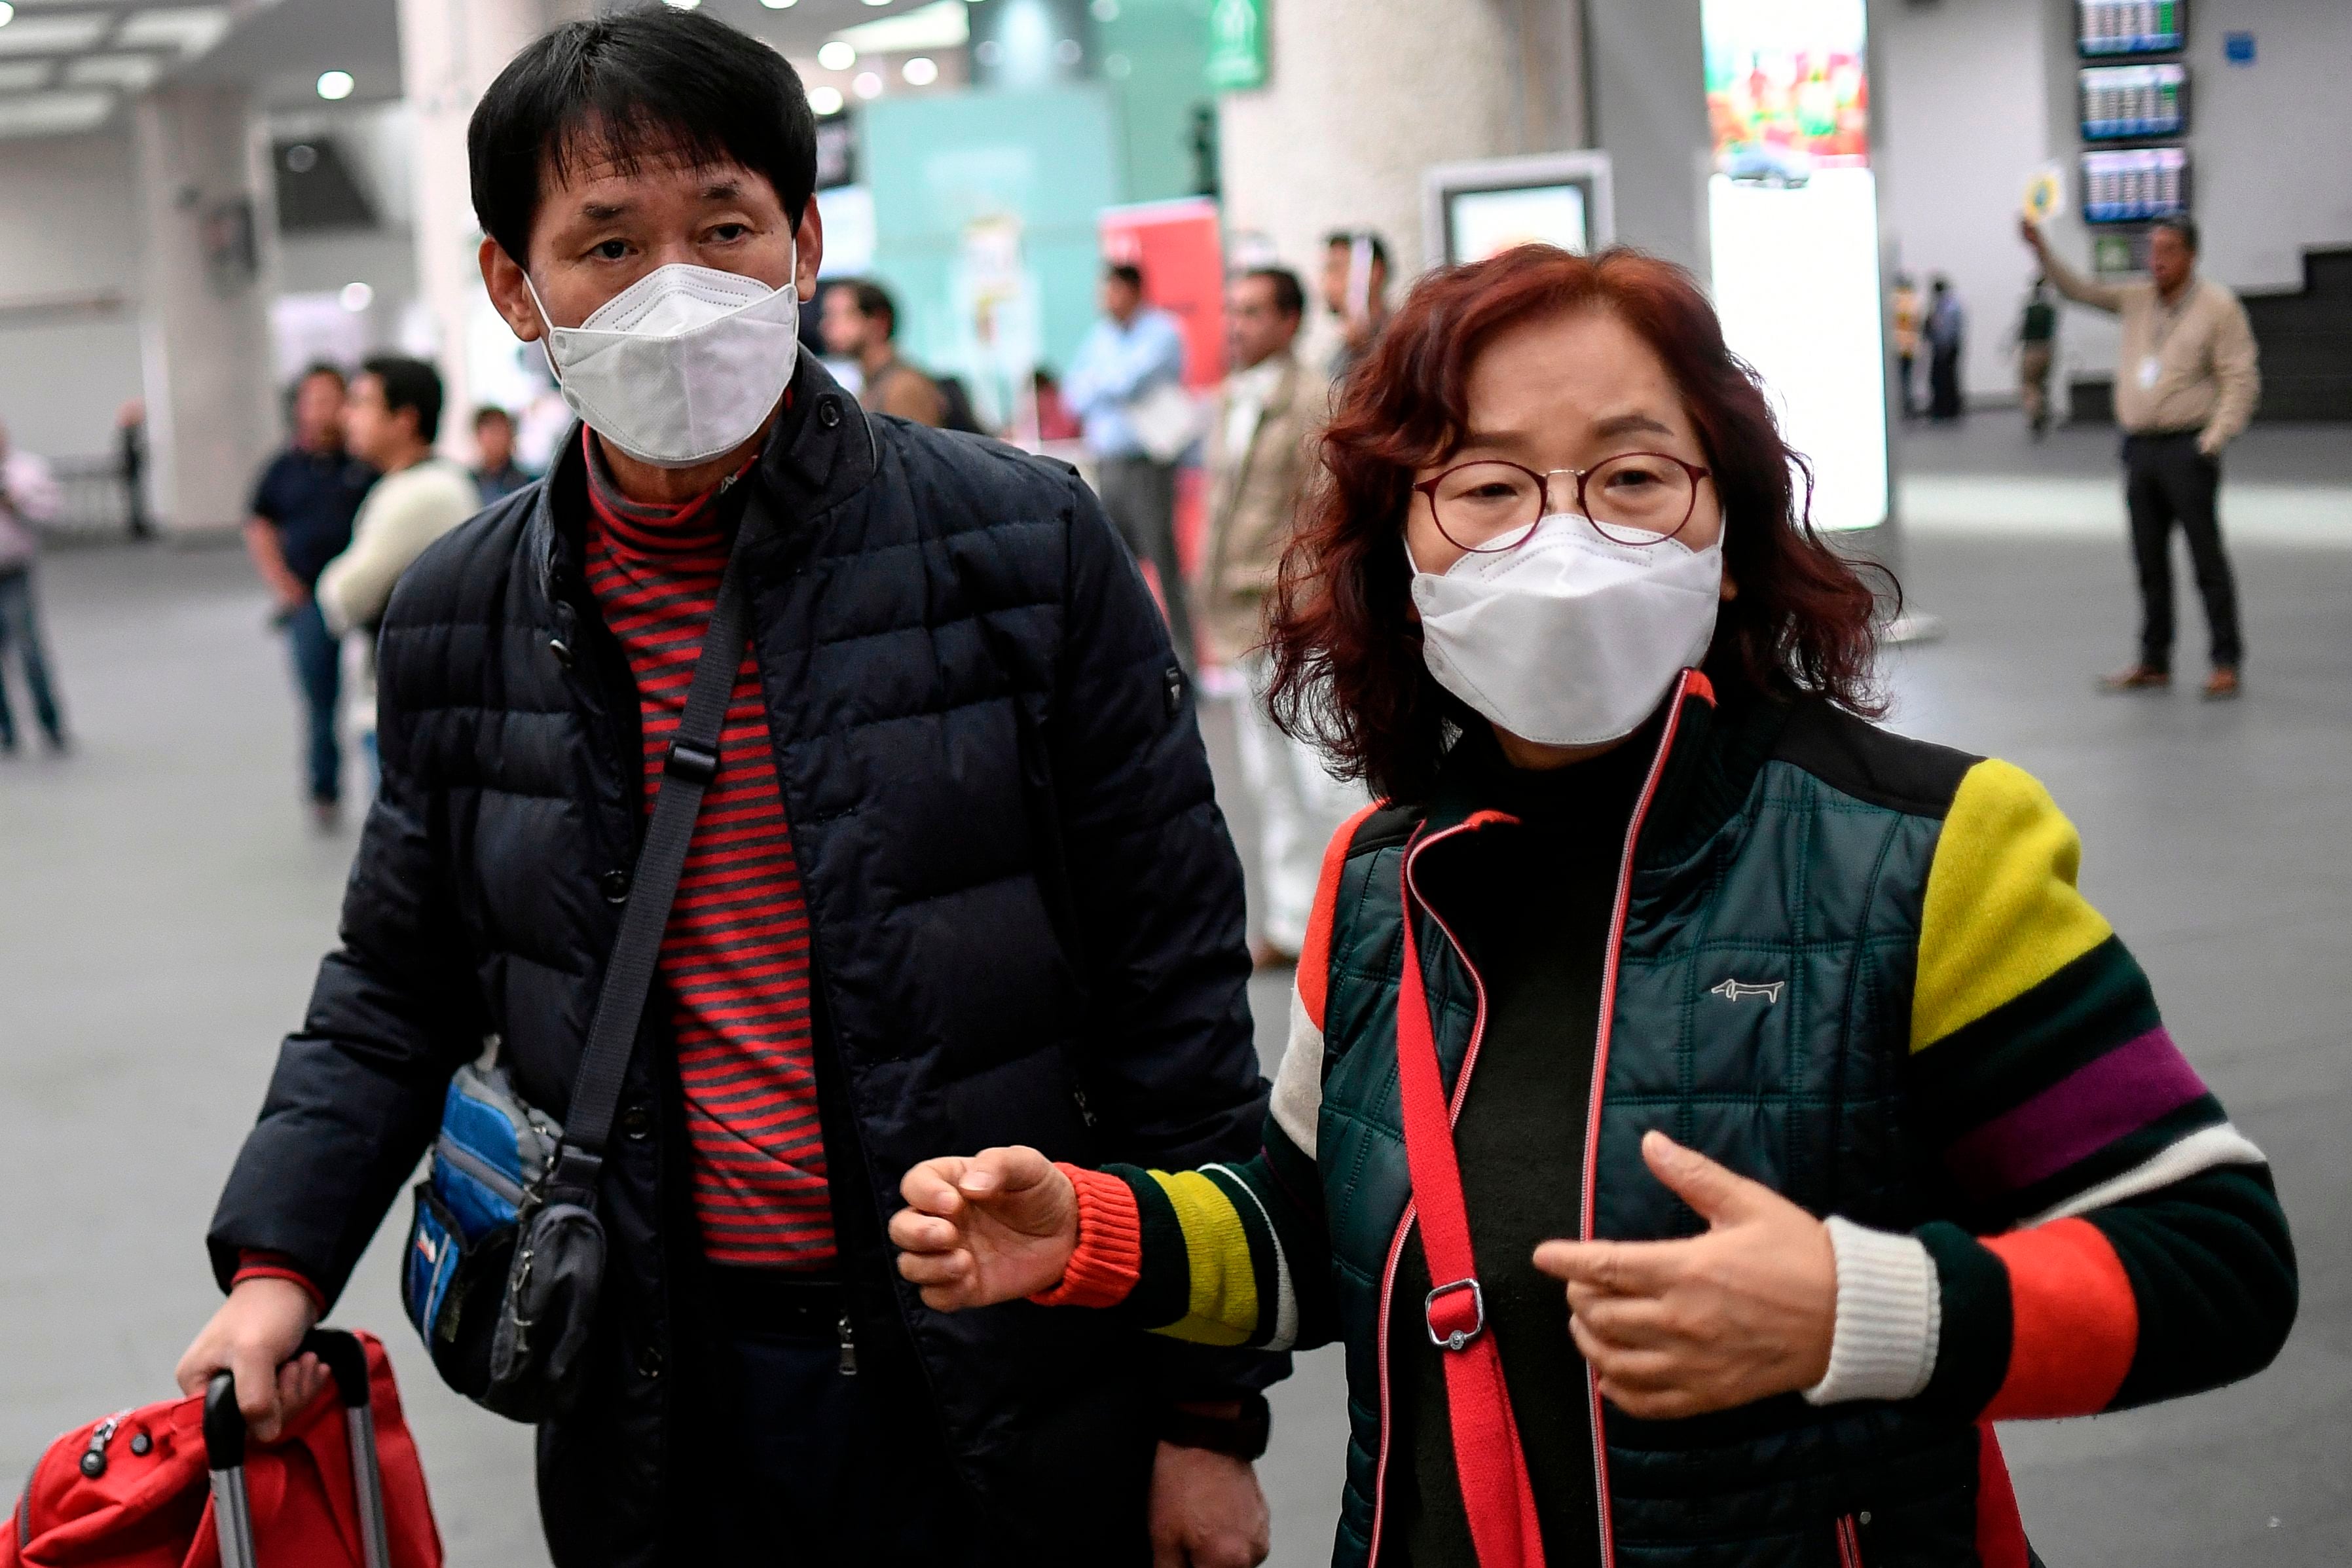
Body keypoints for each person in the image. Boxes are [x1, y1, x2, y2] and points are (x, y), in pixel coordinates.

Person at [892, 244, 2298, 1568]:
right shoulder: (1383, 877)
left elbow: (2210, 1261)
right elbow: (1321, 1234)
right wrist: (1096, 1234)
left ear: (1729, 530)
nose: (1561, 543)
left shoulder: (1926, 849)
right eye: (1488, 489)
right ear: (1399, 554)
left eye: (1631, 479)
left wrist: (1851, 1308)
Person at [178, 12, 1280, 1567]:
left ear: (804, 241)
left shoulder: (1020, 550)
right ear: (517, 287)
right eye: (609, 245)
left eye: (724, 229)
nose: (677, 289)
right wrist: (273, 1273)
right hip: (658, 1387)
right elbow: (393, 982)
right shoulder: (462, 613)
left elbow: (1173, 995)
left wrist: (1205, 1418)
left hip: (1013, 1353)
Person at [2023, 216, 2260, 699]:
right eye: (2153, 250)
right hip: (2140, 450)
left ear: (2191, 255)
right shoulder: (2137, 300)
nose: (2157, 259)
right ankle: (2154, 660)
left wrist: (2214, 439)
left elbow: (2241, 378)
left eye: (2168, 249)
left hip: (2188, 448)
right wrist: (2042, 251)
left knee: (2205, 559)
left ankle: (2225, 660)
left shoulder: (2219, 307)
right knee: (2149, 562)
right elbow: (2079, 290)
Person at [1192, 265, 1353, 969]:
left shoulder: (1314, 398)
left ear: (1289, 320)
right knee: (1269, 783)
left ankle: (1357, 919)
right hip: (1240, 615)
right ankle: (1293, 925)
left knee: (1325, 774)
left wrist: (1310, 606)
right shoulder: (1232, 396)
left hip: (1296, 614)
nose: (1236, 324)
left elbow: (1325, 515)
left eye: (1253, 311)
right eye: (1232, 309)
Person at [316, 356, 478, 788]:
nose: (346, 416)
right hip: (417, 703)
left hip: (413, 711)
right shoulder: (423, 484)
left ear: (404, 420)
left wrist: (331, 581)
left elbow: (343, 596)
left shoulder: (421, 494)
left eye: (362, 403)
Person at [244, 364, 376, 826]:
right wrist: (281, 581)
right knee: (320, 702)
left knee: (380, 695)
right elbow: (260, 523)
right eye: (313, 399)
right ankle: (325, 792)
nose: (322, 409)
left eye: (332, 398)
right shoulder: (282, 469)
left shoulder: (365, 463)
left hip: (367, 599)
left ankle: (384, 787)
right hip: (309, 602)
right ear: (298, 408)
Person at [1065, 261, 1197, 672]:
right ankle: (1133, 661)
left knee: (1163, 558)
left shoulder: (1161, 331)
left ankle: (1188, 661)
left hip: (1148, 464)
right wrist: (1107, 383)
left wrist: (1101, 382)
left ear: (1133, 291)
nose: (1105, 300)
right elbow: (1074, 396)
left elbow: (1126, 382)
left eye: (1112, 291)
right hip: (1110, 463)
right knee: (1114, 561)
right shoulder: (1099, 337)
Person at [0, 423, 68, 754]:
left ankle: (50, 725)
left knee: (30, 651)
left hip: (14, 572)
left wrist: (17, 505)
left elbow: (50, 516)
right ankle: (6, 732)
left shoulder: (28, 470)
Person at [820, 278, 949, 427]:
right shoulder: (871, 385)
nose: (826, 325)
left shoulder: (903, 387)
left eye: (841, 315)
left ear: (878, 322)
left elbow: (918, 448)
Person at [1319, 230, 1391, 383]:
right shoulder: (1335, 358)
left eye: (1335, 269)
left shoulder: (1402, 340)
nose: (1325, 283)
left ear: (1373, 272)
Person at [2016, 277, 2059, 439]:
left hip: (2031, 348)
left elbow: (2022, 331)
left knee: (2029, 384)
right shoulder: (2050, 310)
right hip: (2047, 349)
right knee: (2042, 383)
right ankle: (2042, 409)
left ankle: (2035, 414)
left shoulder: (2030, 309)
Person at [470, 404, 536, 503]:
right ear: (478, 436)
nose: (496, 438)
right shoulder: (468, 483)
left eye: (500, 429)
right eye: (491, 430)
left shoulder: (529, 485)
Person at [1924, 274, 1965, 421]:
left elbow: (1944, 328)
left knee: (1943, 379)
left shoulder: (1946, 306)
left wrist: (1942, 344)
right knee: (1948, 378)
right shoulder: (1951, 304)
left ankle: (1945, 408)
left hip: (1945, 347)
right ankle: (1948, 407)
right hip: (1948, 346)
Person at [117, 398, 151, 539]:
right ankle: (138, 529)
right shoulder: (130, 433)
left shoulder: (129, 433)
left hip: (131, 472)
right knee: (135, 501)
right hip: (132, 472)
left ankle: (138, 528)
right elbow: (130, 454)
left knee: (136, 501)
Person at [1890, 272, 1921, 420]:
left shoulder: (1894, 299)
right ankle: (1906, 405)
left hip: (1896, 346)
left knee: (1899, 380)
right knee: (1906, 379)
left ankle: (1900, 406)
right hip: (1909, 346)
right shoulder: (1912, 300)